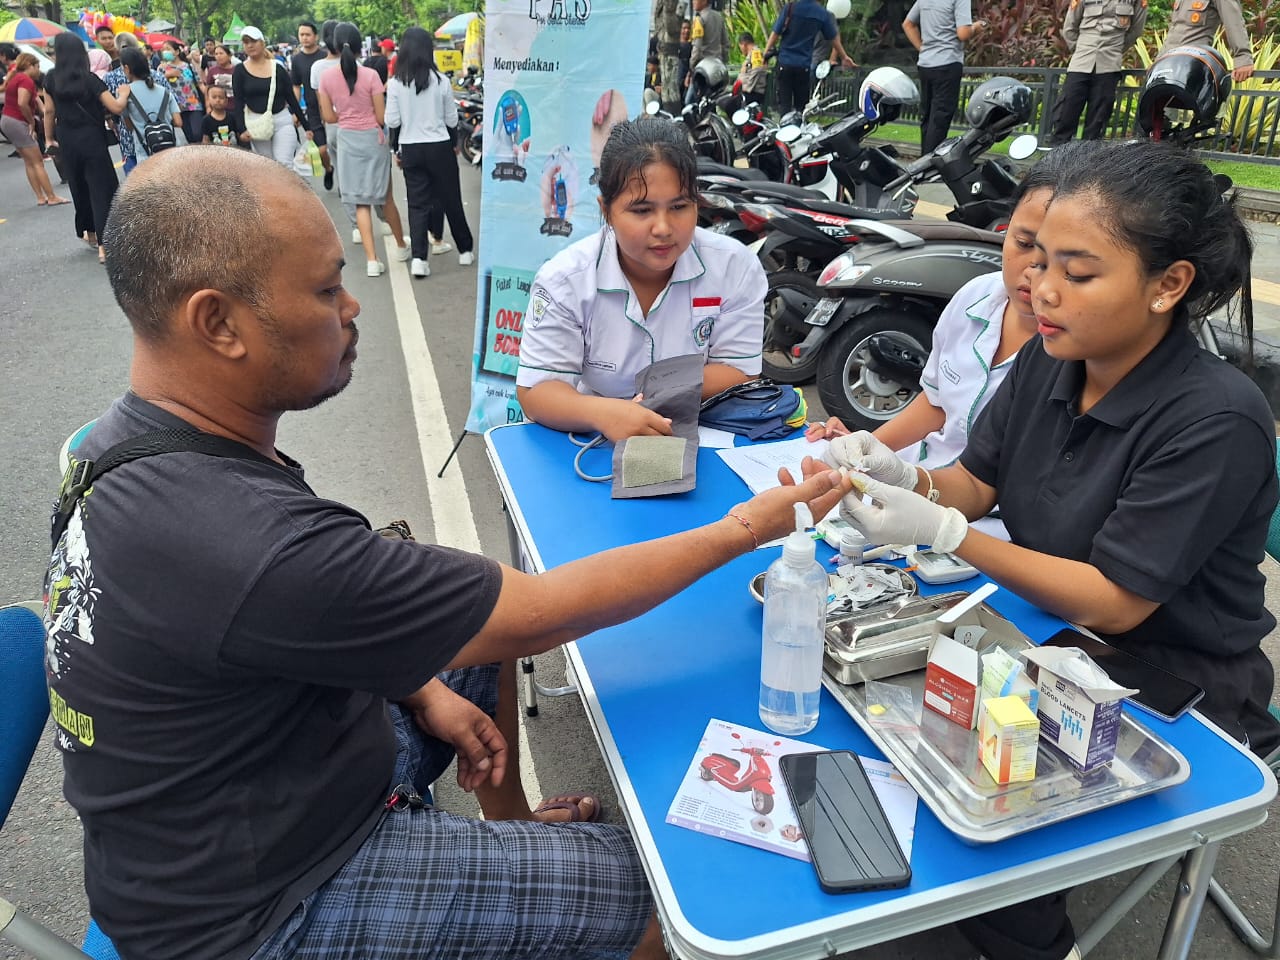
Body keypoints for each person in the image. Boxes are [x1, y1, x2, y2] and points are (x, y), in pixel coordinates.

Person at [52, 144, 851, 960]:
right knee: (663, 890)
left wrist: (421, 688)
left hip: (250, 788)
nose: (351, 307)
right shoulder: (242, 537)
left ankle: (509, 834)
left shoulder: (115, 449)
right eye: (327, 289)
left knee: (462, 657)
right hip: (266, 901)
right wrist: (749, 526)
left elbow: (286, 623)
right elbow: (534, 612)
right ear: (217, 322)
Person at [817, 139, 1280, 959]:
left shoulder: (1215, 419)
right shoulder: (1049, 361)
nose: (1041, 287)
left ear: (1169, 285)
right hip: (1040, 631)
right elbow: (973, 483)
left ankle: (1022, 939)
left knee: (981, 835)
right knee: (864, 730)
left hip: (1169, 676)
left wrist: (944, 534)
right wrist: (899, 473)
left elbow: (1114, 600)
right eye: (1037, 259)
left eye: (1079, 270)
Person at [806, 146, 1085, 465]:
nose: (1034, 268)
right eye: (1023, 243)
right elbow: (937, 405)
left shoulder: (1085, 352)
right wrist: (862, 449)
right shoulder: (976, 297)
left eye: (1067, 259)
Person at [516, 117, 767, 441]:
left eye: (679, 206)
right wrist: (606, 414)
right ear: (606, 210)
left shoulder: (735, 267)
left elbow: (740, 369)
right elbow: (537, 391)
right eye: (641, 210)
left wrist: (654, 397)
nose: (663, 228)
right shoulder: (565, 281)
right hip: (589, 439)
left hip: (701, 433)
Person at [318, 21, 410, 277]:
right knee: (385, 197)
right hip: (373, 139)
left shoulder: (326, 78)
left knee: (360, 202)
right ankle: (401, 246)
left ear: (334, 45)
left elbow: (327, 115)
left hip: (347, 139)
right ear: (361, 47)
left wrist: (346, 117)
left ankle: (372, 261)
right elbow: (381, 116)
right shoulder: (371, 76)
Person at [386, 26, 476, 279]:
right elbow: (451, 118)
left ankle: (419, 260)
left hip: (411, 148)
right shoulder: (441, 81)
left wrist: (397, 148)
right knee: (451, 199)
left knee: (417, 205)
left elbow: (392, 120)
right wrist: (454, 142)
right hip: (439, 146)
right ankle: (465, 251)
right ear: (429, 50)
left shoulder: (395, 84)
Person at [41, 31, 129, 264]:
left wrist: (49, 139)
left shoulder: (50, 79)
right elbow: (116, 107)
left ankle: (89, 232)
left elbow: (48, 112)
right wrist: (123, 94)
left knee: (79, 186)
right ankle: (104, 246)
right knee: (101, 189)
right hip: (92, 139)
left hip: (67, 139)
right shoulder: (90, 79)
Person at [1049, 0, 1146, 145]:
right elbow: (1070, 27)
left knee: (1098, 118)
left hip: (1109, 64)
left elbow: (1136, 30)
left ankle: (1089, 158)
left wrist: (1116, 50)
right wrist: (1081, 50)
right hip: (1081, 61)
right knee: (1066, 110)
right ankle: (1056, 153)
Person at [903, 0, 985, 152]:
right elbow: (963, 33)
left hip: (926, 65)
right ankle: (929, 166)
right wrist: (976, 27)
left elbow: (908, 24)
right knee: (940, 118)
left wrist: (923, 49)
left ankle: (923, 161)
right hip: (947, 63)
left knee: (928, 117)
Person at [762, 0, 855, 113]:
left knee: (784, 105)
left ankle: (785, 126)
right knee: (801, 108)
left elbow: (775, 33)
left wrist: (765, 53)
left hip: (785, 63)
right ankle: (799, 127)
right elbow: (833, 38)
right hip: (804, 66)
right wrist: (844, 56)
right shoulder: (822, 13)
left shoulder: (791, 8)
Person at [233, 25, 308, 166]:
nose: (250, 45)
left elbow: (291, 97)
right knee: (267, 166)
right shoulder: (240, 70)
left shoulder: (278, 67)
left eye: (253, 41)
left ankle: (287, 188)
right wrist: (241, 129)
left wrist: (306, 126)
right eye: (246, 42)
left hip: (282, 120)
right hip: (257, 123)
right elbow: (238, 101)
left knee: (284, 164)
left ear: (262, 43)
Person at [1, 52, 68, 205]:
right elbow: (22, 103)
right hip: (17, 121)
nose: (38, 70)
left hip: (7, 120)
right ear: (30, 66)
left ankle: (40, 196)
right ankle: (51, 197)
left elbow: (35, 101)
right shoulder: (26, 80)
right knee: (37, 161)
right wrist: (31, 122)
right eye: (37, 67)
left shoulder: (16, 77)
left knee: (29, 161)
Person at [104, 32, 166, 176]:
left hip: (130, 136)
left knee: (135, 180)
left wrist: (112, 120)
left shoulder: (111, 78)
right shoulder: (157, 75)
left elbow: (111, 108)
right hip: (163, 135)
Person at [1160, 0, 1255, 81]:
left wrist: (1243, 59)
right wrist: (1159, 61)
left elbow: (1234, 22)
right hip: (1167, 68)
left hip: (1192, 69)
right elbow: (1175, 30)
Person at [290, 20, 333, 189]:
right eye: (302, 35)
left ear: (316, 36)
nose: (305, 38)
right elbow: (295, 86)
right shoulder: (297, 59)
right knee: (321, 149)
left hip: (331, 107)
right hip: (312, 109)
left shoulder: (325, 56)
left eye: (308, 34)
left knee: (336, 145)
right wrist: (296, 110)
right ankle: (329, 169)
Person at [120, 45, 181, 160]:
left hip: (146, 155)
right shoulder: (164, 91)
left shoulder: (125, 93)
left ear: (127, 69)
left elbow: (129, 126)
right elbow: (178, 122)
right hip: (171, 152)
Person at [159, 39, 205, 144]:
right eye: (163, 50)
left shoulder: (187, 66)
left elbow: (199, 83)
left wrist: (208, 99)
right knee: (189, 137)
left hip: (194, 105)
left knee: (198, 133)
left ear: (177, 52)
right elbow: (158, 86)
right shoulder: (162, 69)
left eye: (168, 49)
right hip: (177, 107)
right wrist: (167, 75)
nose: (165, 52)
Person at [686, 0, 728, 96]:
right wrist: (723, 63)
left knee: (690, 100)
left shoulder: (699, 20)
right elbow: (725, 44)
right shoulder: (719, 17)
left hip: (704, 69)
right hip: (718, 67)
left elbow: (697, 47)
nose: (693, 2)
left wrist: (692, 66)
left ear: (704, 1)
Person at [203, 43, 238, 114]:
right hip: (217, 108)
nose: (218, 56)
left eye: (221, 53)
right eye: (216, 54)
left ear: (229, 56)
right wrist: (208, 106)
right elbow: (207, 88)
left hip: (235, 107)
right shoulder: (212, 70)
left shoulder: (237, 70)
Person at [735, 31, 768, 103]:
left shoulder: (756, 52)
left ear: (744, 45)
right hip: (748, 92)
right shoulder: (751, 54)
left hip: (753, 93)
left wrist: (747, 88)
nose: (741, 50)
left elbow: (757, 70)